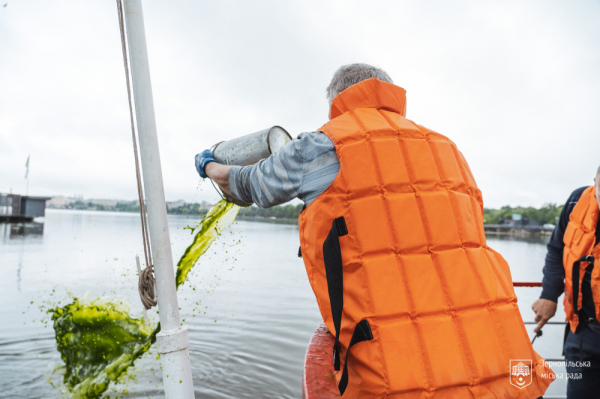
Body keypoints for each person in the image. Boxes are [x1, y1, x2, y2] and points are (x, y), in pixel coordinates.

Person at [196, 64, 553, 398]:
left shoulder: (323, 144)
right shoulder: (448, 148)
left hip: (399, 374)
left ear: (336, 102)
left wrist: (209, 164)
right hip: (499, 360)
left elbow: (247, 184)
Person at [532, 167, 600, 398]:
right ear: (594, 183)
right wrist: (550, 294)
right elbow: (556, 249)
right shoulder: (576, 201)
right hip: (582, 332)